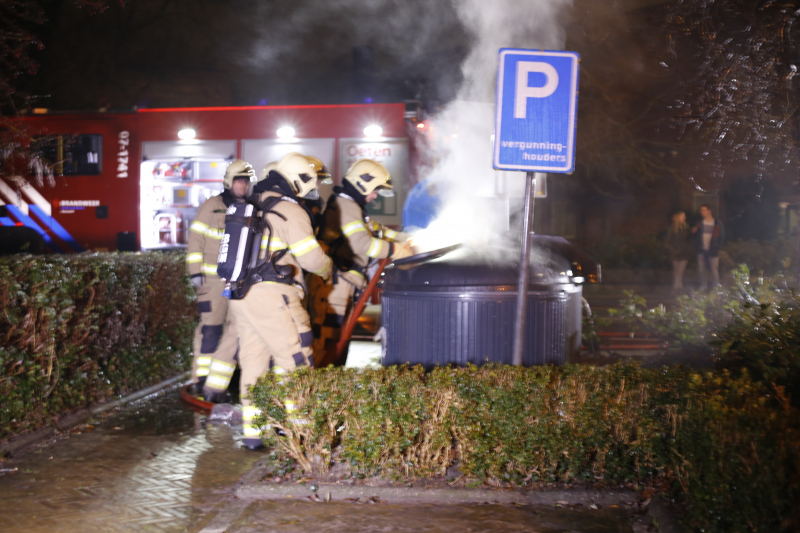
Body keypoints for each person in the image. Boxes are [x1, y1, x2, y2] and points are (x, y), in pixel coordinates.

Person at [229, 152, 333, 450]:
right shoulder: (290, 210)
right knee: (296, 359)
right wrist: (328, 269)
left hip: (242, 295)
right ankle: (303, 434)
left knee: (254, 361)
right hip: (274, 295)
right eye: (310, 184)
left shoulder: (254, 204)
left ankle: (254, 432)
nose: (311, 191)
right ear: (299, 181)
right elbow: (312, 259)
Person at [309, 158, 413, 367]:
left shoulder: (350, 205)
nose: (375, 196)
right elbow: (360, 243)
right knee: (328, 341)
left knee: (338, 340)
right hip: (335, 285)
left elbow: (377, 229)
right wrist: (395, 250)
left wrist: (403, 237)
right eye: (374, 190)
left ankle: (330, 387)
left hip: (342, 283)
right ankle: (318, 390)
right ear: (362, 183)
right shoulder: (346, 206)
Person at [186, 159, 255, 400]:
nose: (243, 186)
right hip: (211, 282)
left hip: (236, 282)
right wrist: (195, 271)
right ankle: (200, 379)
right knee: (211, 330)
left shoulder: (249, 208)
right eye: (239, 181)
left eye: (246, 181)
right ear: (228, 181)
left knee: (233, 332)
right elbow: (195, 241)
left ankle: (220, 381)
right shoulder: (212, 207)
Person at [692, 203, 725, 290]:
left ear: (709, 211)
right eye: (701, 210)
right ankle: (703, 287)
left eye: (704, 210)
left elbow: (720, 237)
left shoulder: (716, 223)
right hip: (702, 250)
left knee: (714, 271)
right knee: (701, 271)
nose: (701, 212)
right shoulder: (700, 223)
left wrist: (717, 247)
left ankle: (716, 289)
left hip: (713, 251)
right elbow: (696, 237)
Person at [665, 210, 693, 292]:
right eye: (683, 216)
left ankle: (676, 288)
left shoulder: (687, 227)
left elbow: (689, 238)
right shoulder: (673, 228)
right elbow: (668, 242)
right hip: (676, 253)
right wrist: (673, 250)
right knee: (677, 271)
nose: (685, 218)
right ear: (679, 217)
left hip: (684, 253)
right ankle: (678, 288)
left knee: (680, 271)